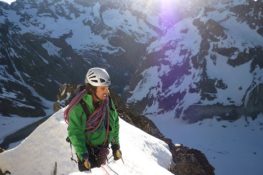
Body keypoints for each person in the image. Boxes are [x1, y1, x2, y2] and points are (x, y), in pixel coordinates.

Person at [67, 67, 122, 171]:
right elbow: (75, 132)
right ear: (92, 89)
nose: (107, 91)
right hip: (87, 151)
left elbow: (114, 123)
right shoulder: (78, 108)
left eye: (107, 87)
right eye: (102, 88)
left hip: (102, 149)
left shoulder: (107, 101)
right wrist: (83, 155)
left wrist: (115, 145)